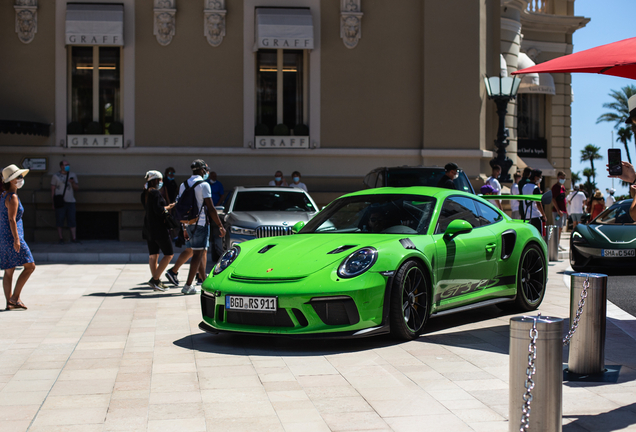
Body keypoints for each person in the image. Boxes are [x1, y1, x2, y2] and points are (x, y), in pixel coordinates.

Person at [174, 160, 226, 295]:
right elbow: (211, 208)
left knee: (200, 252)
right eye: (206, 170)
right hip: (201, 224)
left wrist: (184, 228)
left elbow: (180, 208)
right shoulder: (204, 185)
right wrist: (220, 226)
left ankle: (204, 281)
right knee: (198, 254)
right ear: (202, 170)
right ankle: (188, 285)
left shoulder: (183, 184)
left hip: (188, 223)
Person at [1, 164, 35, 310]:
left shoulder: (3, 195)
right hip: (14, 237)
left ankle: (10, 302)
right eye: (19, 177)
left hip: (3, 237)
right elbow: (12, 220)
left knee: (9, 270)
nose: (21, 179)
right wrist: (16, 239)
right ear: (12, 180)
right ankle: (15, 298)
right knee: (30, 266)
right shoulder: (13, 197)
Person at [141, 170, 175, 292]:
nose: (161, 182)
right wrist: (169, 207)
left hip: (148, 228)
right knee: (169, 254)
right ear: (155, 180)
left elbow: (150, 209)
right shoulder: (155, 193)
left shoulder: (144, 193)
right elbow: (158, 210)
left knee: (153, 255)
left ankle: (156, 281)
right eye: (160, 180)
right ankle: (155, 279)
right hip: (159, 229)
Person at [51, 160, 79, 244]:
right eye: (65, 164)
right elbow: (52, 189)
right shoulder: (56, 176)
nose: (67, 166)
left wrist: (73, 182)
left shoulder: (72, 175)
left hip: (71, 201)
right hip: (60, 201)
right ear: (61, 166)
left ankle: (74, 238)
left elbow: (77, 188)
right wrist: (53, 203)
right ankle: (61, 238)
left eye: (68, 164)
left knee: (72, 220)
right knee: (60, 219)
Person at [550, 171, 567, 250]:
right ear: (557, 178)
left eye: (564, 178)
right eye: (561, 178)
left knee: (561, 228)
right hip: (557, 211)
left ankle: (558, 243)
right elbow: (553, 199)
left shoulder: (563, 187)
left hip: (563, 211)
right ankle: (555, 244)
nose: (563, 179)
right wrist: (558, 210)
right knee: (557, 228)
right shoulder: (555, 187)